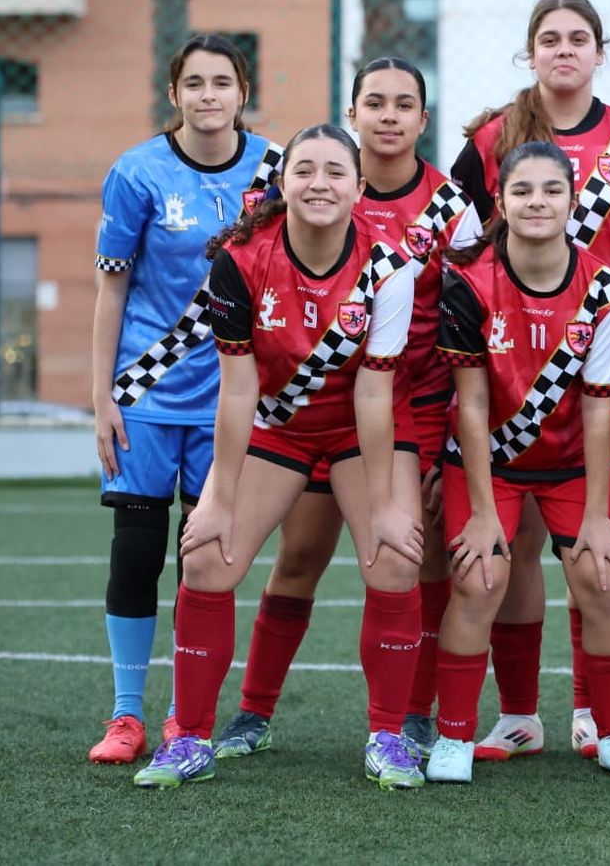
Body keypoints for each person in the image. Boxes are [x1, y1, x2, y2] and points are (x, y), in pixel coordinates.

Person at [131, 124, 426, 791]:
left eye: (336, 172)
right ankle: (190, 739)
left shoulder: (389, 266)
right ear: (283, 183)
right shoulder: (239, 260)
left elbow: (374, 392)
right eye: (305, 170)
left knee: (395, 556)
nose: (320, 183)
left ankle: (388, 737)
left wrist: (384, 505)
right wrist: (215, 499)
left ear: (359, 187)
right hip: (279, 427)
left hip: (358, 428)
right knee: (206, 556)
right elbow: (237, 390)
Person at [208, 58, 480, 763]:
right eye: (374, 102)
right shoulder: (308, 187)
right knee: (299, 556)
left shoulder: (452, 206)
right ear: (352, 114)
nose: (389, 116)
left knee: (413, 558)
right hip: (303, 408)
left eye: (404, 104)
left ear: (423, 119)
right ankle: (252, 711)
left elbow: (471, 324)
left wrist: (443, 437)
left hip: (408, 407)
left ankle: (407, 717)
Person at [450, 0, 610, 761]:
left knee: (592, 544)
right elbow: (456, 242)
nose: (565, 49)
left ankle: (590, 711)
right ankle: (518, 713)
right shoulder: (491, 139)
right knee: (514, 545)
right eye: (550, 38)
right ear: (529, 51)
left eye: (579, 38)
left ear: (600, 52)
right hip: (508, 369)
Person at [425, 141, 610, 784]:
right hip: (490, 462)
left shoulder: (604, 288)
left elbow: (599, 410)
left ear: (572, 201)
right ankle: (453, 737)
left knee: (603, 578)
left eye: (552, 190)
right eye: (522, 190)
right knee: (478, 578)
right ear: (500, 203)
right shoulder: (468, 282)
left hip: (572, 463)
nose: (537, 202)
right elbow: (471, 405)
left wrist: (597, 516)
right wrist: (481, 513)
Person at [88, 34, 282, 765]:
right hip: (143, 392)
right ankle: (126, 715)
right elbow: (112, 289)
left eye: (221, 82)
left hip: (231, 396)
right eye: (194, 83)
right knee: (137, 551)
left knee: (203, 558)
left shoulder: (276, 168)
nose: (208, 95)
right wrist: (102, 396)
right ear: (174, 94)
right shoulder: (136, 172)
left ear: (242, 92)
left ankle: (184, 714)